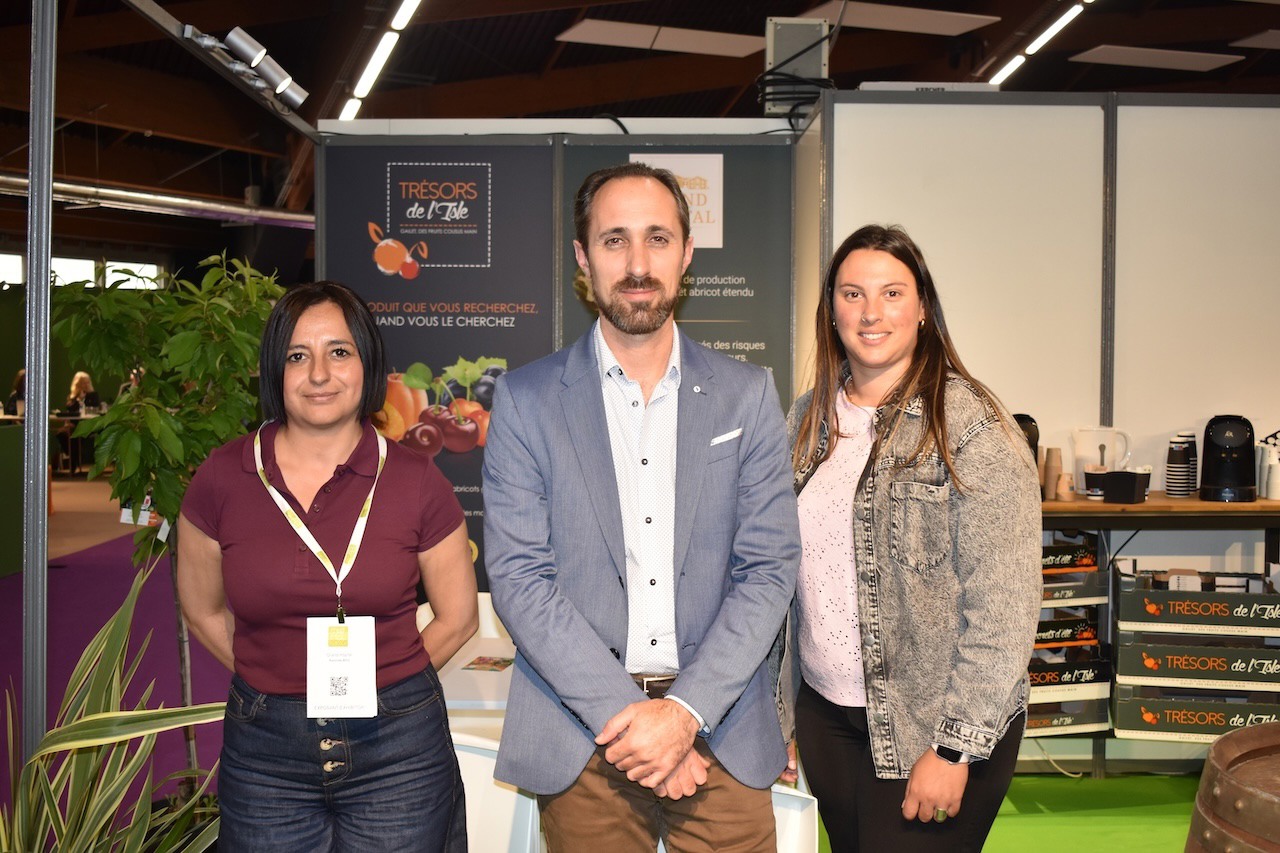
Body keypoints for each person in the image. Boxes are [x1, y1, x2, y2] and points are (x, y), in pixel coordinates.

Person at [482, 162, 801, 852]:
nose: (636, 264)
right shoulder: (526, 402)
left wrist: (683, 714)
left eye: (658, 238)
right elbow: (520, 579)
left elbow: (769, 568)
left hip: (720, 728)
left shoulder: (747, 395)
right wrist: (636, 722)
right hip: (584, 735)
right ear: (582, 257)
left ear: (687, 253)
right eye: (614, 240)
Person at [177, 280, 477, 851]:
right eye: (297, 356)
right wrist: (276, 680)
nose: (319, 374)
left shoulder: (416, 480)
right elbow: (201, 609)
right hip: (264, 756)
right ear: (275, 370)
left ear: (367, 364)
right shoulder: (222, 478)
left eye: (339, 351)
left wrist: (383, 687)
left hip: (399, 753)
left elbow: (458, 618)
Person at [775, 225, 1041, 853]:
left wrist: (954, 748)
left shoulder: (972, 426)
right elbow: (784, 583)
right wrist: (779, 716)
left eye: (892, 293)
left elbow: (1004, 608)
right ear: (831, 310)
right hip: (826, 716)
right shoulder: (805, 418)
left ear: (923, 308)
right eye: (853, 294)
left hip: (931, 726)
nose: (871, 313)